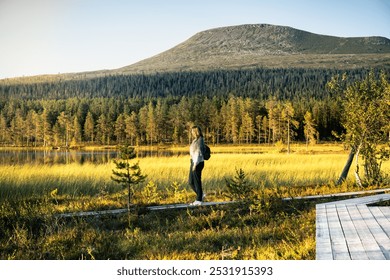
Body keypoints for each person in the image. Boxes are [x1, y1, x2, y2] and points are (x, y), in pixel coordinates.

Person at [189, 125, 206, 206]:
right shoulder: (195, 140)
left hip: (197, 163)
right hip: (193, 162)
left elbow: (198, 153)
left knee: (196, 181)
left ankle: (199, 200)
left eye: (192, 131)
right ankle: (201, 195)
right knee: (191, 182)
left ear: (196, 132)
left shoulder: (200, 140)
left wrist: (195, 164)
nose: (191, 132)